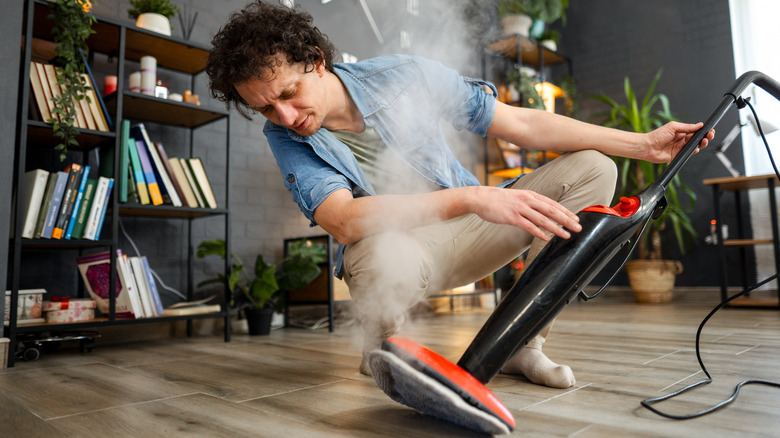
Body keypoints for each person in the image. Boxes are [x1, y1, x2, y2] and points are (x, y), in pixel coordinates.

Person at [206, 1, 713, 389]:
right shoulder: (286, 138)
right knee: (369, 249)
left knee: (593, 170)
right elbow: (342, 220)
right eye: (268, 110)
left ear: (315, 62)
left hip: (475, 233)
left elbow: (520, 123)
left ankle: (521, 342)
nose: (287, 118)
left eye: (288, 94)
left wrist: (642, 144)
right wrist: (472, 198)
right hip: (403, 256)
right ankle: (386, 349)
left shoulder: (401, 76)